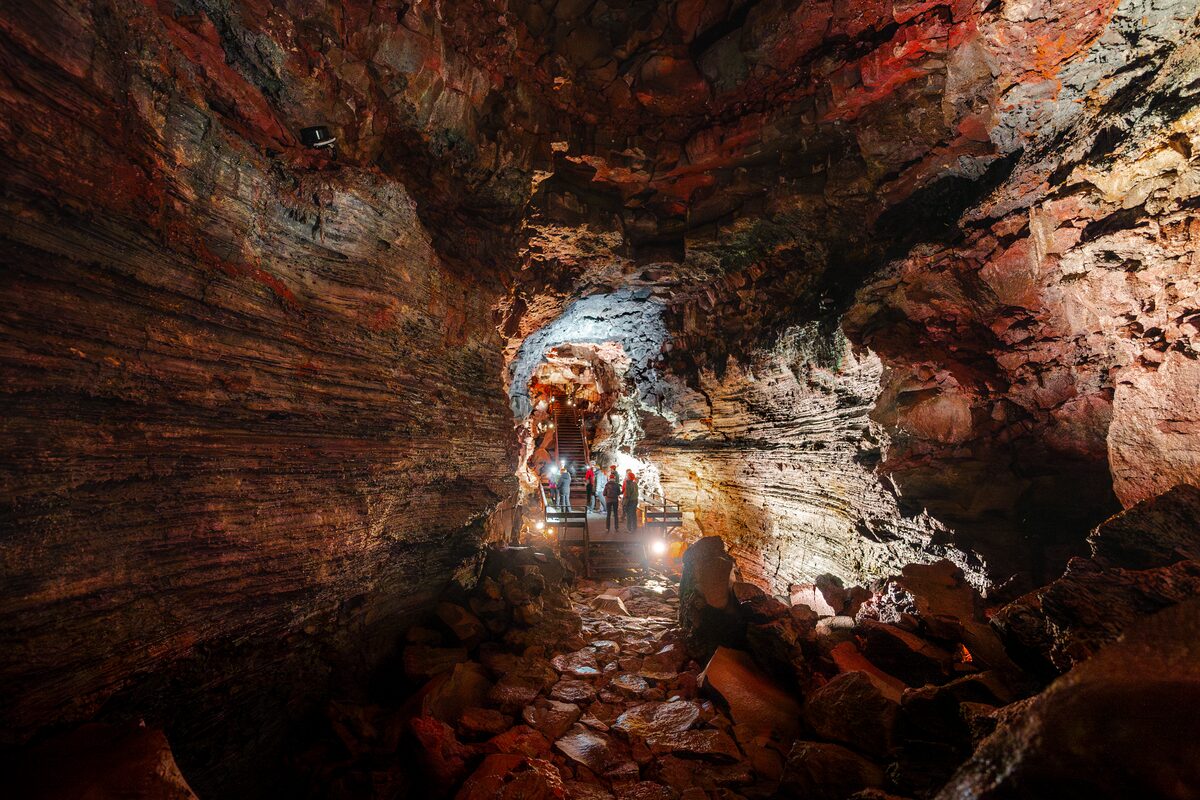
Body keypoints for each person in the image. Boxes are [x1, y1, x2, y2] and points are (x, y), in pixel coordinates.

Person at [603, 466, 621, 531]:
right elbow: (619, 493)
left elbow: (604, 493)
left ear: (609, 478)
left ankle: (607, 528)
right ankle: (616, 528)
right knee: (615, 514)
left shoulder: (607, 485)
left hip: (608, 501)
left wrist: (607, 496)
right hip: (615, 501)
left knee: (608, 514)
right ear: (614, 478)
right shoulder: (617, 485)